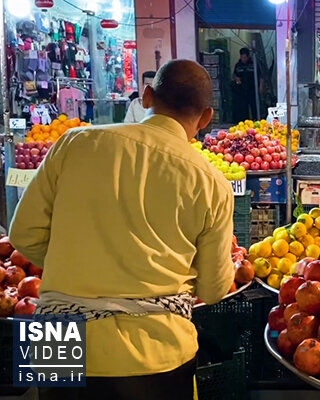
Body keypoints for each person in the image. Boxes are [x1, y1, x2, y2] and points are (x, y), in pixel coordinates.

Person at [10, 60, 235, 399]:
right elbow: (215, 289)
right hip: (155, 347)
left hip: (55, 334)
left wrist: (76, 263)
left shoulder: (76, 142)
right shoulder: (210, 181)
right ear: (206, 118)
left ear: (146, 96)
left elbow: (23, 233)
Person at [232, 47, 258, 122]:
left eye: (245, 57)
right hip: (241, 90)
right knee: (243, 108)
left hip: (252, 89)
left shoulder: (253, 64)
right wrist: (236, 78)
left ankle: (255, 120)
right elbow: (234, 75)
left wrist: (261, 86)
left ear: (248, 56)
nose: (243, 59)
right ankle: (245, 122)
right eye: (242, 57)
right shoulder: (238, 65)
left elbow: (259, 76)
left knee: (254, 107)